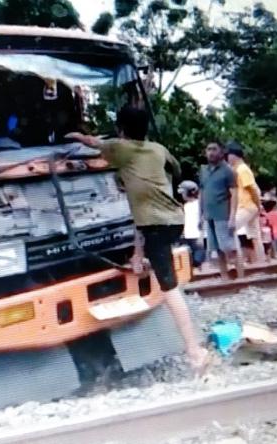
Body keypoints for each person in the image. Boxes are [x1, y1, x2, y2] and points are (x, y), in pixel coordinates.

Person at [65, 106, 212, 371]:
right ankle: (141, 260)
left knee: (169, 289)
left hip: (157, 224)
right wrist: (137, 253)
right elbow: (175, 169)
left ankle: (194, 351)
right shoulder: (157, 148)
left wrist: (76, 135)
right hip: (172, 219)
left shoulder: (120, 149)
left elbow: (92, 143)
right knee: (149, 239)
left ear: (121, 130)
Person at [199, 141, 242, 280]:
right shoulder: (203, 170)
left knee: (229, 248)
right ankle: (225, 278)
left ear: (221, 152)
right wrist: (200, 215)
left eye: (214, 149)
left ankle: (240, 277)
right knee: (217, 250)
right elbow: (202, 192)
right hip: (209, 215)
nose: (211, 152)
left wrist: (232, 217)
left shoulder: (228, 170)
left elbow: (234, 194)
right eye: (208, 149)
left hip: (223, 214)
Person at [226, 142, 266, 264]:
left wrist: (258, 204)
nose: (227, 158)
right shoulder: (238, 169)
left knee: (229, 230)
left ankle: (238, 261)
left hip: (247, 206)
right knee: (255, 236)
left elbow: (252, 189)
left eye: (228, 155)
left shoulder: (242, 169)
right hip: (249, 206)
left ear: (234, 155)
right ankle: (261, 262)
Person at [177, 180, 205, 269]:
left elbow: (203, 220)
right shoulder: (186, 206)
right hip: (188, 235)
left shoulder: (199, 204)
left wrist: (201, 235)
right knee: (191, 258)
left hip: (197, 235)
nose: (182, 195)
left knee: (198, 259)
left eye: (183, 193)